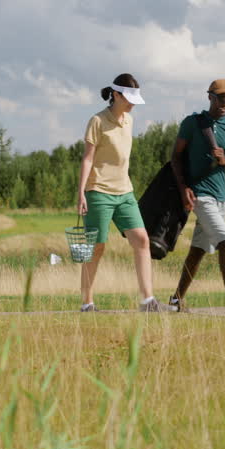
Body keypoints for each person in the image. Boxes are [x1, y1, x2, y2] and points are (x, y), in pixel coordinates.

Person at [168, 78, 225, 317]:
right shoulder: (192, 123)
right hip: (200, 195)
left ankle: (176, 299)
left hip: (221, 197)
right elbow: (175, 157)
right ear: (210, 97)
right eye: (221, 98)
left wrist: (224, 160)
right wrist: (184, 187)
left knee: (197, 250)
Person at [76, 73, 161, 313]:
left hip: (125, 192)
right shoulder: (97, 121)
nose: (133, 104)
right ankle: (87, 303)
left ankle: (147, 301)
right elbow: (87, 158)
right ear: (115, 95)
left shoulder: (129, 121)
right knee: (96, 247)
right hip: (98, 192)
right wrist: (81, 193)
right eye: (129, 99)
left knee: (142, 240)